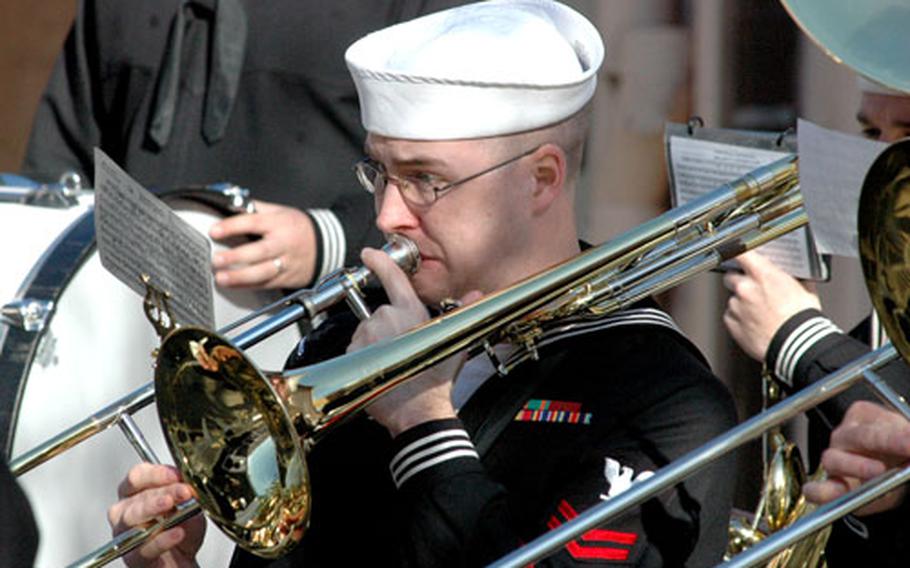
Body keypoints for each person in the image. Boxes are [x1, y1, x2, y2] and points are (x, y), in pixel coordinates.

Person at [107, 1, 738, 566]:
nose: (386, 215)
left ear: (542, 178)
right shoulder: (349, 336)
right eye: (379, 173)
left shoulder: (664, 397)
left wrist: (423, 422)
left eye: (426, 180)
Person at [22, 0, 465, 290]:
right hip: (119, 334)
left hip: (323, 344)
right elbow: (60, 166)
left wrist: (331, 240)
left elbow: (475, 185)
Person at [722, 77, 910, 566]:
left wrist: (800, 341)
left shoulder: (841, 358)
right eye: (871, 135)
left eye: (908, 136)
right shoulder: (866, 343)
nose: (882, 164)